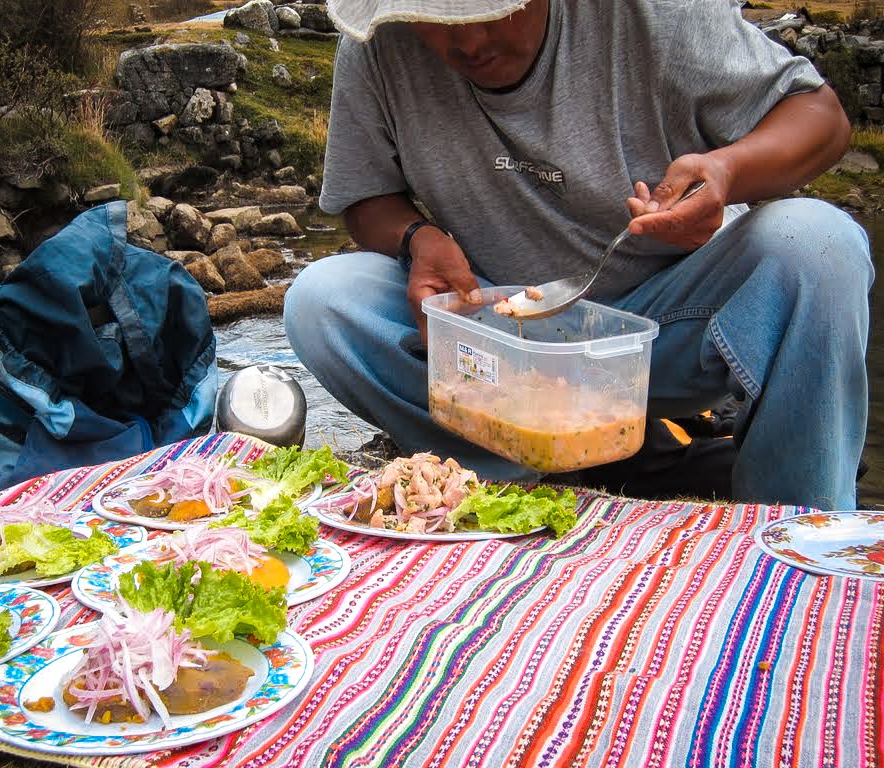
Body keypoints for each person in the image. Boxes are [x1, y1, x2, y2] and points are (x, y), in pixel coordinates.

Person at [284, 0, 873, 510]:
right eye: (434, 19)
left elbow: (820, 117)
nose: (466, 41)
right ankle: (508, 486)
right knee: (324, 300)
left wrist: (727, 170)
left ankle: (791, 526)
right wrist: (418, 240)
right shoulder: (380, 41)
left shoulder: (657, 14)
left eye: (493, 11)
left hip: (662, 333)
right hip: (494, 335)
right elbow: (365, 197)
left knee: (819, 245)